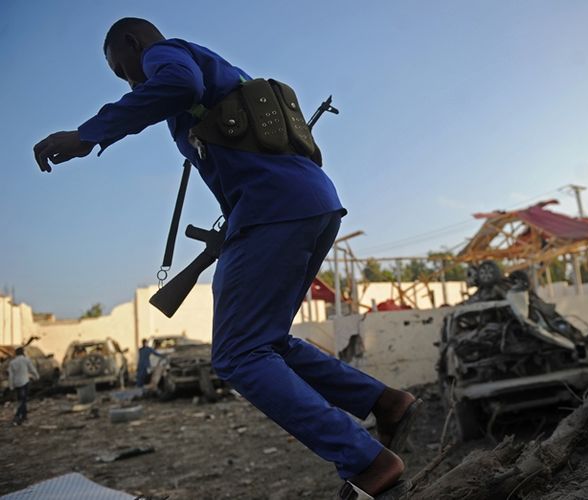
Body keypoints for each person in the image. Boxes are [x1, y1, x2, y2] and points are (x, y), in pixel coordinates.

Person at [33, 18, 421, 498]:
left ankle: (368, 462)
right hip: (312, 204)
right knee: (268, 343)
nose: (132, 82)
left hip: (272, 210)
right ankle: (385, 403)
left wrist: (89, 134)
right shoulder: (219, 70)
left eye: (122, 70)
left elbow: (177, 83)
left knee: (238, 355)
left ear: (133, 45)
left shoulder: (166, 56)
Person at [8, 347, 39, 426]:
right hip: (25, 382)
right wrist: (36, 376)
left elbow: (11, 376)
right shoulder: (26, 360)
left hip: (17, 383)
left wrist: (11, 386)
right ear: (23, 352)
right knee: (23, 400)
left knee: (21, 399)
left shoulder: (12, 363)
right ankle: (17, 416)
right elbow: (32, 369)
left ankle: (24, 416)